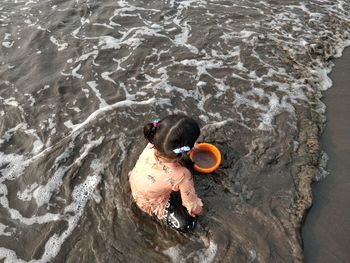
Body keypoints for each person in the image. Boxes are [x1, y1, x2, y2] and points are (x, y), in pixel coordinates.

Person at [128, 114, 203, 232]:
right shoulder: (182, 175)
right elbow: (192, 206)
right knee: (187, 225)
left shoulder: (152, 143)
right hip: (150, 203)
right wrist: (199, 209)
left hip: (135, 181)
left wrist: (188, 148)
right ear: (183, 150)